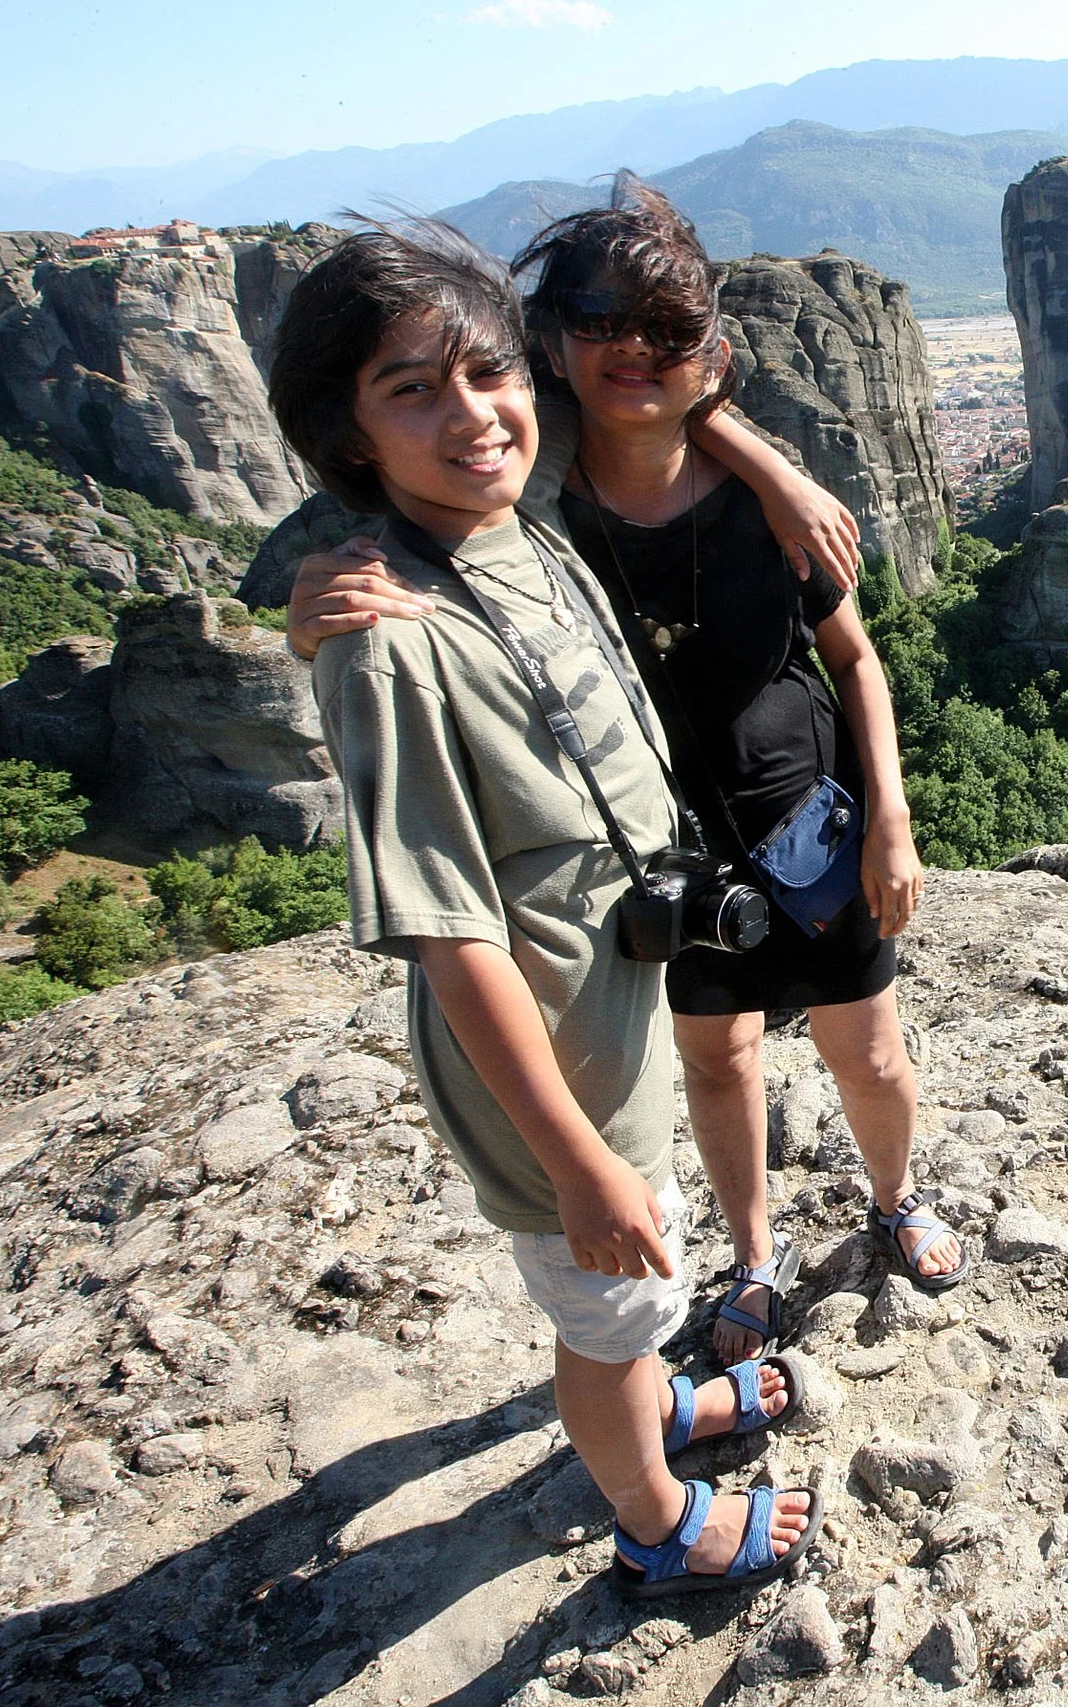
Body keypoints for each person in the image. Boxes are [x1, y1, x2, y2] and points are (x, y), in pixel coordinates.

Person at [285, 180, 967, 1365]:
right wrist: (314, 614)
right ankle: (753, 1257)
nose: (636, 348)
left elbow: (855, 657)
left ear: (713, 350)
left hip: (811, 823)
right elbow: (422, 552)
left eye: (671, 329)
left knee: (869, 1049)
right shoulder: (534, 496)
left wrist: (890, 821)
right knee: (719, 1056)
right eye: (601, 323)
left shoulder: (770, 511)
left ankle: (894, 1199)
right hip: (663, 860)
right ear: (551, 346)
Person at [269, 217, 817, 1596]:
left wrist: (777, 472)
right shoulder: (392, 642)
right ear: (346, 437)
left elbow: (649, 396)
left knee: (632, 1296)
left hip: (611, 1016)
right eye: (410, 390)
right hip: (552, 1059)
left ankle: (656, 1403)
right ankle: (656, 1522)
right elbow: (450, 932)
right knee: (608, 1306)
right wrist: (575, 1163)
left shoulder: (514, 502)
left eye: (487, 373)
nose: (471, 416)